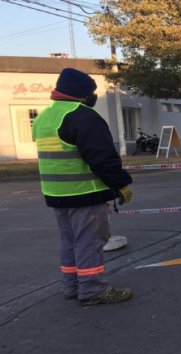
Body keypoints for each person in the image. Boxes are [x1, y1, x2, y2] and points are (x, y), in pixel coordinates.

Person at [32, 67, 134, 305]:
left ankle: (72, 285)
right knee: (89, 242)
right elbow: (102, 157)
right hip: (85, 193)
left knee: (69, 242)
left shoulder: (44, 117)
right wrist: (121, 184)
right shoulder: (82, 116)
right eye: (91, 92)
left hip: (56, 194)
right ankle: (93, 290)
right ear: (82, 93)